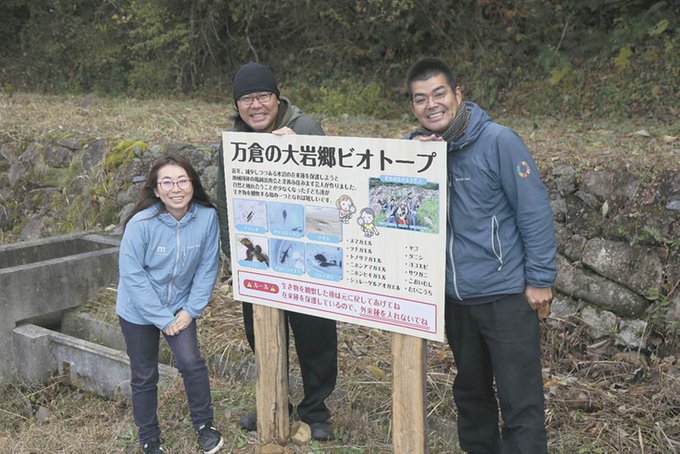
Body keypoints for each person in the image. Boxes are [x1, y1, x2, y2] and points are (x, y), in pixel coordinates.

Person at [405, 57, 557, 454]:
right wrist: (412, 157)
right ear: (413, 107)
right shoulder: (418, 150)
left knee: (519, 397)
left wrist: (540, 278)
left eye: (439, 93)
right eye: (421, 99)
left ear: (458, 94)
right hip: (455, 298)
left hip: (504, 293)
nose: (431, 105)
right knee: (470, 394)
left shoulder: (499, 141)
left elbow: (534, 210)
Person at [215, 62, 337, 441]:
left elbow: (333, 185)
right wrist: (233, 257)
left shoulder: (305, 128)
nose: (255, 106)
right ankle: (275, 401)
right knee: (262, 335)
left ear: (276, 96)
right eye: (246, 99)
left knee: (315, 334)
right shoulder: (233, 140)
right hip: (258, 254)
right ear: (237, 105)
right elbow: (225, 200)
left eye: (262, 96)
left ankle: (315, 409)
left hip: (304, 252)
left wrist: (295, 152)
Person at [116, 153, 224, 454]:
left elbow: (207, 266)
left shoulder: (206, 217)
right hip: (137, 311)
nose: (175, 189)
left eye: (182, 181)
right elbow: (133, 276)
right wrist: (163, 319)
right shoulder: (141, 223)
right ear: (156, 189)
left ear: (193, 184)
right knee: (144, 373)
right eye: (167, 182)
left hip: (180, 308)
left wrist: (190, 310)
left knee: (191, 362)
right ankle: (150, 439)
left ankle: (205, 426)